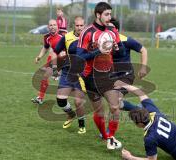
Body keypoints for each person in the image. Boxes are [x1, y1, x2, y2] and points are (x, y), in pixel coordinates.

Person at [76, 2, 125, 149]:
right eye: (106, 14)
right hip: (90, 77)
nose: (110, 17)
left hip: (107, 75)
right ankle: (104, 135)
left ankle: (111, 137)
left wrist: (116, 48)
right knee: (99, 111)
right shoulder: (87, 32)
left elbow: (121, 51)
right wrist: (98, 51)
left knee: (115, 108)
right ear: (98, 15)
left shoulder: (112, 30)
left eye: (110, 14)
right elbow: (79, 56)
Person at [53, 16, 87, 134]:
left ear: (84, 26)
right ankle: (71, 114)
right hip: (67, 71)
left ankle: (82, 124)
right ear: (74, 26)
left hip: (82, 74)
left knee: (78, 102)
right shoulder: (66, 37)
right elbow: (55, 51)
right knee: (60, 100)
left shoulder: (89, 37)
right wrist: (55, 67)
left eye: (81, 25)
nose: (79, 28)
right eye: (77, 26)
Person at [108, 18, 148, 111]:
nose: (108, 30)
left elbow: (143, 50)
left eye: (111, 28)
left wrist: (143, 68)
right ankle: (138, 109)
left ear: (116, 30)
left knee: (115, 102)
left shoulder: (126, 40)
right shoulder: (104, 41)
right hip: (111, 77)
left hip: (126, 76)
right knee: (116, 104)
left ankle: (111, 126)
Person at [31, 19, 62, 105]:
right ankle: (40, 98)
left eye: (54, 25)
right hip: (51, 59)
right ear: (48, 27)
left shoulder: (63, 36)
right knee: (44, 77)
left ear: (57, 26)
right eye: (51, 25)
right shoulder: (47, 37)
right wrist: (39, 56)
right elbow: (45, 47)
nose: (52, 27)